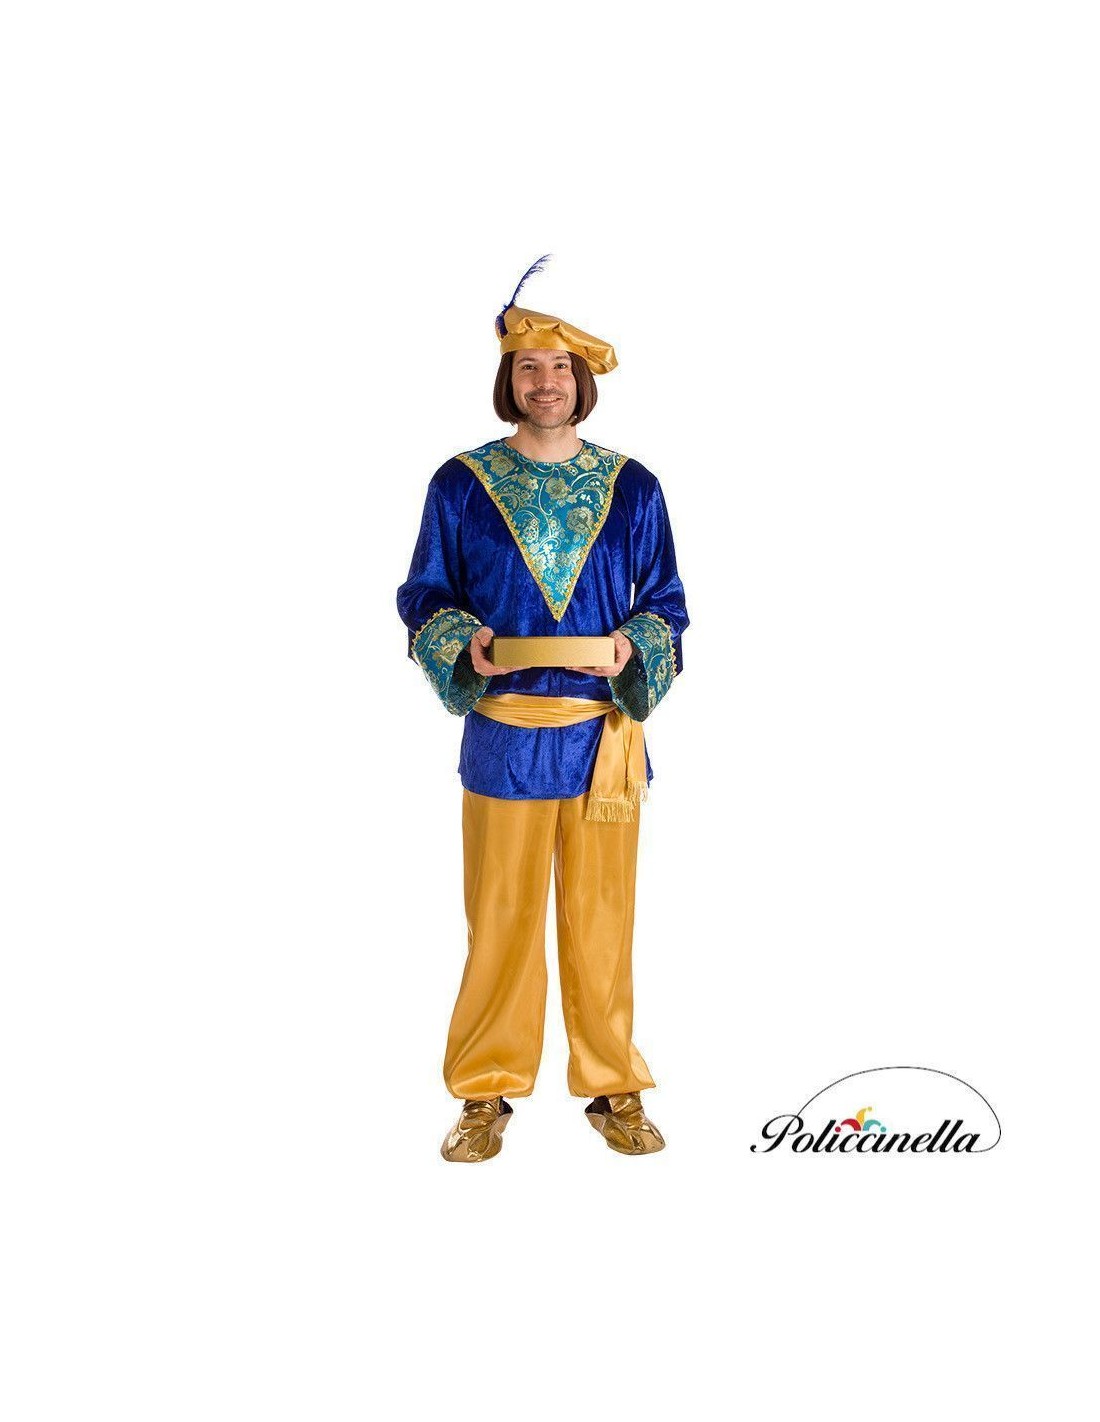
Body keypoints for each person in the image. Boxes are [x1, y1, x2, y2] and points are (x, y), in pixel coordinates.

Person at [396, 257, 689, 1161]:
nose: (546, 382)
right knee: (501, 922)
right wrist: (463, 641)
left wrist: (636, 644)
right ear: (508, 380)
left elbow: (666, 603)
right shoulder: (460, 483)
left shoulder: (634, 486)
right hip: (505, 737)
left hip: (602, 739)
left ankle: (613, 1085)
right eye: (529, 367)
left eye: (561, 367)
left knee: (603, 923)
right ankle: (484, 1091)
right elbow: (423, 594)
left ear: (582, 381)